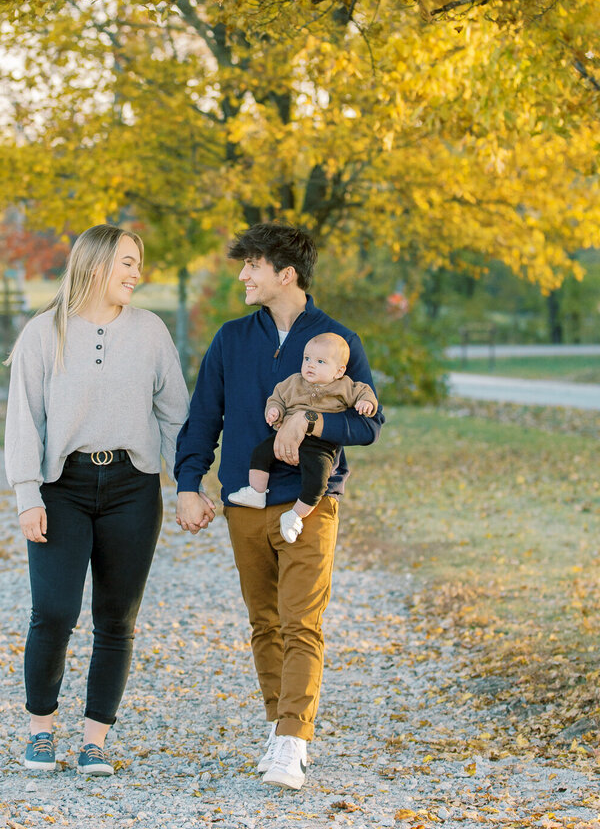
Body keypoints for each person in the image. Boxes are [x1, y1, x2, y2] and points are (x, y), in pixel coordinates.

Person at [174, 222, 383, 791]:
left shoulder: (337, 342)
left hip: (310, 505)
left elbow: (370, 425)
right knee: (264, 624)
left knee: (301, 624)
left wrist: (311, 419)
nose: (242, 274)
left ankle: (293, 742)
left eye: (252, 265)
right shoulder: (231, 339)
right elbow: (203, 418)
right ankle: (276, 729)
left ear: (285, 274)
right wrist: (189, 483)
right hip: (245, 501)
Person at [4, 224, 189, 777]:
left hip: (133, 486)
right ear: (95, 265)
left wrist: (187, 485)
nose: (137, 273)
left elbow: (176, 415)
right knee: (54, 611)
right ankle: (41, 729)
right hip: (64, 487)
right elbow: (24, 420)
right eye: (127, 263)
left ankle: (95, 741)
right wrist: (26, 494)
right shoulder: (45, 332)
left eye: (139, 263)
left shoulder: (152, 331)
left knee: (117, 618)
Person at [228, 332, 377, 544]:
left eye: (320, 361)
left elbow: (365, 393)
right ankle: (257, 491)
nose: (310, 365)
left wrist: (366, 404)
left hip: (320, 443)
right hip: (285, 435)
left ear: (339, 371)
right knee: (261, 453)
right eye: (307, 359)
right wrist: (274, 410)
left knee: (318, 481)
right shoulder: (293, 382)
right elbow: (277, 397)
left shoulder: (345, 386)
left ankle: (295, 515)